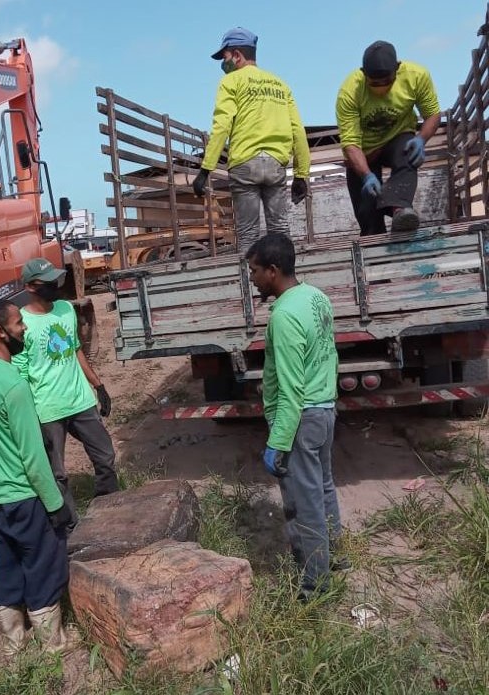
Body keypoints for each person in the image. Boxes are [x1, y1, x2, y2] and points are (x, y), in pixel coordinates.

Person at [0, 298, 72, 658]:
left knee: (8, 567)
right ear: (0, 332)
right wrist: (55, 503)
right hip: (26, 496)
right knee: (43, 565)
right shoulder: (14, 385)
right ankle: (53, 645)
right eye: (18, 324)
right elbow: (33, 456)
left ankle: (13, 642)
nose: (24, 329)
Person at [245, 235, 343, 600]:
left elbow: (290, 392)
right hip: (324, 410)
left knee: (305, 503)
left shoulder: (284, 317)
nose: (252, 278)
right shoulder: (316, 296)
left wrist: (277, 442)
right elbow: (328, 356)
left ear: (273, 271)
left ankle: (314, 585)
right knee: (323, 487)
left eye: (255, 271)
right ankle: (335, 556)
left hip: (300, 419)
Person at [13, 258, 118, 526]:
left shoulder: (65, 309)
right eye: (47, 282)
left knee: (105, 456)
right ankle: (69, 525)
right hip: (47, 409)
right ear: (30, 287)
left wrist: (98, 385)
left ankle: (109, 510)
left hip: (80, 400)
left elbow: (75, 350)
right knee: (56, 473)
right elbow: (20, 373)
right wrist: (27, 415)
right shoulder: (21, 323)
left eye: (55, 280)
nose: (54, 286)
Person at [192, 27, 311, 253]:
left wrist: (205, 170)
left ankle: (249, 275)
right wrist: (301, 174)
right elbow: (297, 129)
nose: (223, 63)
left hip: (244, 164)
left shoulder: (230, 81)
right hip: (275, 164)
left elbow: (222, 126)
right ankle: (285, 274)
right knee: (279, 229)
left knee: (248, 234)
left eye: (225, 56)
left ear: (237, 55)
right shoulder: (280, 85)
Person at [336, 40, 441, 235]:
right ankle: (373, 238)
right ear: (363, 73)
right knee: (367, 214)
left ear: (397, 69)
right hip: (364, 151)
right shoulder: (350, 91)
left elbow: (433, 114)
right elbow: (350, 143)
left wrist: (421, 139)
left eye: (387, 81)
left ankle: (400, 209)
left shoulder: (416, 76)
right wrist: (366, 175)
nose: (381, 88)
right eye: (374, 84)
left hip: (398, 137)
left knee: (408, 152)